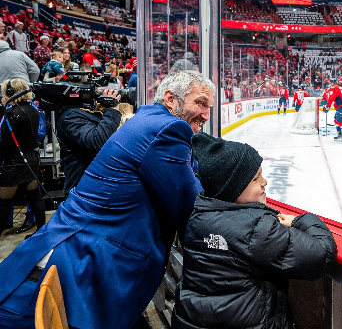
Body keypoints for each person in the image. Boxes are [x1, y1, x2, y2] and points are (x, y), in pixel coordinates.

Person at [0, 70, 215, 328]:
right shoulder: (168, 129)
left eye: (209, 107)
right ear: (170, 98)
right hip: (80, 264)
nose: (206, 114)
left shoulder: (148, 118)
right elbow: (188, 205)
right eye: (200, 103)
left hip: (73, 251)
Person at [171, 133, 337, 329]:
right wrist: (301, 220)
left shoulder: (199, 217)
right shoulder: (256, 230)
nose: (264, 182)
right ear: (233, 188)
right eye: (256, 179)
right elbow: (322, 254)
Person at [56, 84, 122, 197]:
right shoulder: (70, 116)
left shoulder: (85, 113)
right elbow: (97, 142)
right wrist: (111, 110)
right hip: (84, 193)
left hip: (98, 189)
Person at [0, 79, 46, 237]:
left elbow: (4, 142)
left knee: (3, 202)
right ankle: (41, 230)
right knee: (34, 197)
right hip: (31, 159)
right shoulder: (34, 110)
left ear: (11, 92)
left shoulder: (12, 113)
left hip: (14, 163)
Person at [326, 77, 342, 142]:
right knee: (336, 120)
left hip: (341, 106)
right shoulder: (341, 88)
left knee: (340, 121)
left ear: (332, 83)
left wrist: (327, 106)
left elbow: (331, 98)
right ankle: (340, 135)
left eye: (330, 83)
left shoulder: (334, 88)